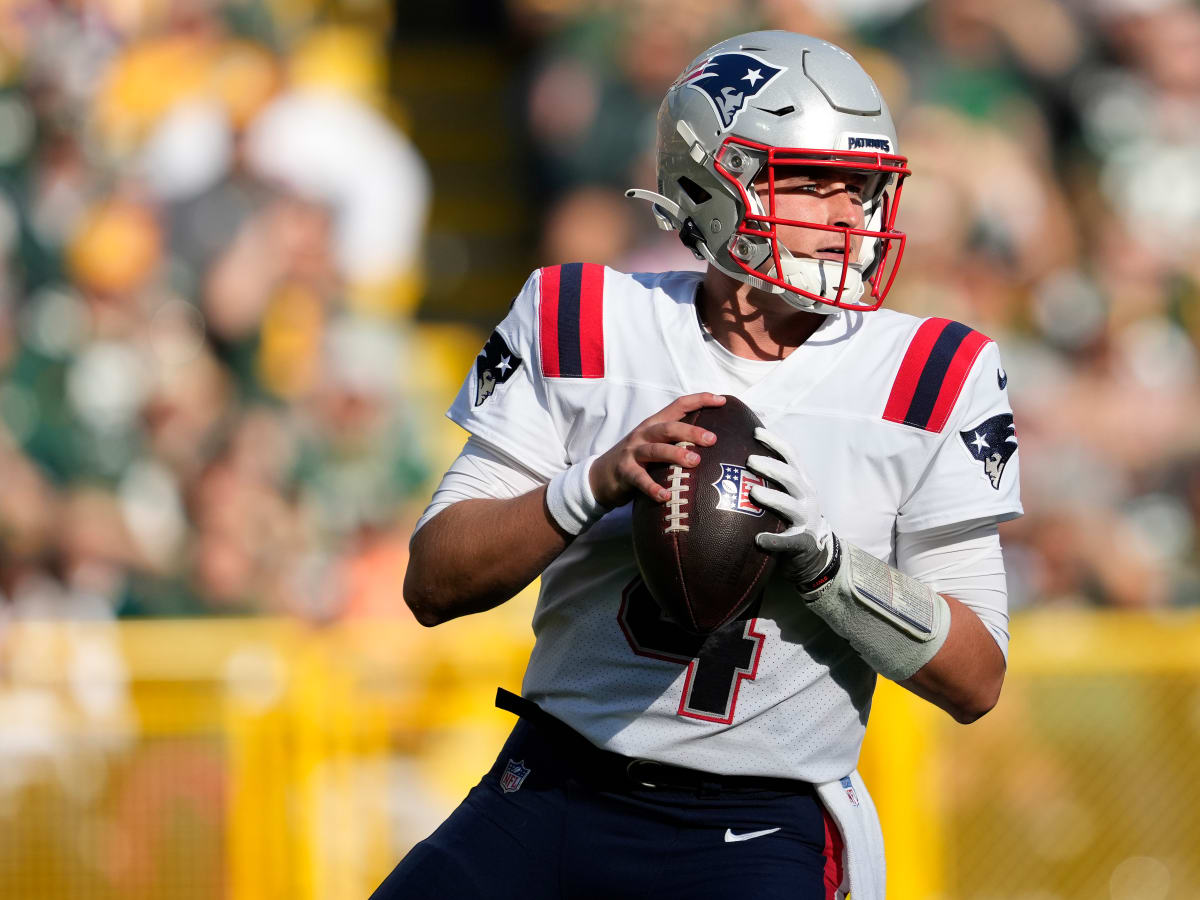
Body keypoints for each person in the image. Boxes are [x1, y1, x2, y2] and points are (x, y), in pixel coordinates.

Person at [374, 30, 1020, 900]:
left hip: (755, 829)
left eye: (860, 187)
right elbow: (433, 581)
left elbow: (977, 679)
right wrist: (589, 486)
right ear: (708, 181)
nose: (845, 216)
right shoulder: (584, 317)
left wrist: (831, 568)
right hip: (553, 786)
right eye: (810, 181)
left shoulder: (935, 375)